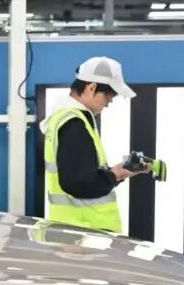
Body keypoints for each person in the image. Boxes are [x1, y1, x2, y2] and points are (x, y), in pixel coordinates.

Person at [41, 54, 145, 235]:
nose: (108, 104)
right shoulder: (74, 124)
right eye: (108, 97)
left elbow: (79, 174)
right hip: (84, 231)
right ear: (91, 87)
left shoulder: (63, 118)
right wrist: (114, 175)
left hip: (73, 228)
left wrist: (116, 173)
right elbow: (78, 183)